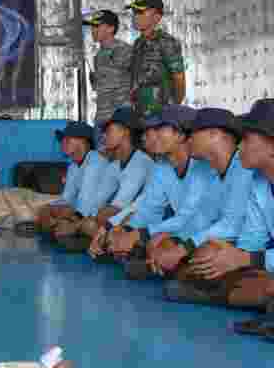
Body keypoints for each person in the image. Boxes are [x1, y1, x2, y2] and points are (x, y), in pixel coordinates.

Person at [154, 100, 274, 326]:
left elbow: (240, 239)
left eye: (246, 139)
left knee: (261, 284)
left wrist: (246, 258)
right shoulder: (259, 182)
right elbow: (251, 239)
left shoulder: (244, 173)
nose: (239, 147)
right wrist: (228, 258)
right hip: (265, 263)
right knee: (213, 260)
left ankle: (227, 293)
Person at [148, 108, 254, 285]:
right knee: (165, 244)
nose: (188, 140)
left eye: (194, 133)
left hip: (249, 246)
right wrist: (174, 240)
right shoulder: (212, 172)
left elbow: (232, 224)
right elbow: (201, 218)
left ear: (214, 134)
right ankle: (188, 277)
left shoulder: (244, 168)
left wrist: (183, 249)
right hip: (227, 241)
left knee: (206, 253)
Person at [89, 105, 198, 262]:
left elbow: (193, 219)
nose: (152, 135)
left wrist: (140, 234)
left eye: (159, 128)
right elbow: (148, 208)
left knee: (157, 247)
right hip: (179, 228)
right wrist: (115, 228)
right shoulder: (162, 165)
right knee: (121, 238)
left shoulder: (201, 168)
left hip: (203, 233)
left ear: (180, 135)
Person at [58, 107, 153, 253]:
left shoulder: (140, 162)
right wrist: (79, 220)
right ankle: (108, 244)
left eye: (108, 131)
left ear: (125, 132)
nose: (104, 136)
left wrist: (76, 225)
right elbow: (97, 201)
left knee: (93, 223)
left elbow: (119, 207)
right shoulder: (114, 165)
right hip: (120, 218)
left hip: (143, 220)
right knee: (90, 222)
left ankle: (117, 246)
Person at [34, 121, 109, 235]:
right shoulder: (73, 166)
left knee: (72, 225)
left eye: (68, 139)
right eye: (62, 140)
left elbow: (85, 204)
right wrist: (49, 208)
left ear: (83, 141)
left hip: (99, 215)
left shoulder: (95, 162)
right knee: (45, 210)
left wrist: (65, 221)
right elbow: (67, 198)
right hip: (82, 212)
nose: (63, 143)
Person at [126, 0, 185, 117]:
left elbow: (179, 79)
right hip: (138, 113)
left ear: (157, 17)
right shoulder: (138, 43)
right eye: (134, 12)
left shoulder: (167, 42)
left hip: (160, 115)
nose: (136, 16)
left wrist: (173, 108)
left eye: (141, 12)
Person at [83, 10, 133, 131]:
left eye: (97, 26)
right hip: (102, 117)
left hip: (120, 118)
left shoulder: (124, 50)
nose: (93, 30)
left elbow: (140, 80)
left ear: (111, 28)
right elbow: (100, 87)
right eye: (92, 26)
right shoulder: (98, 56)